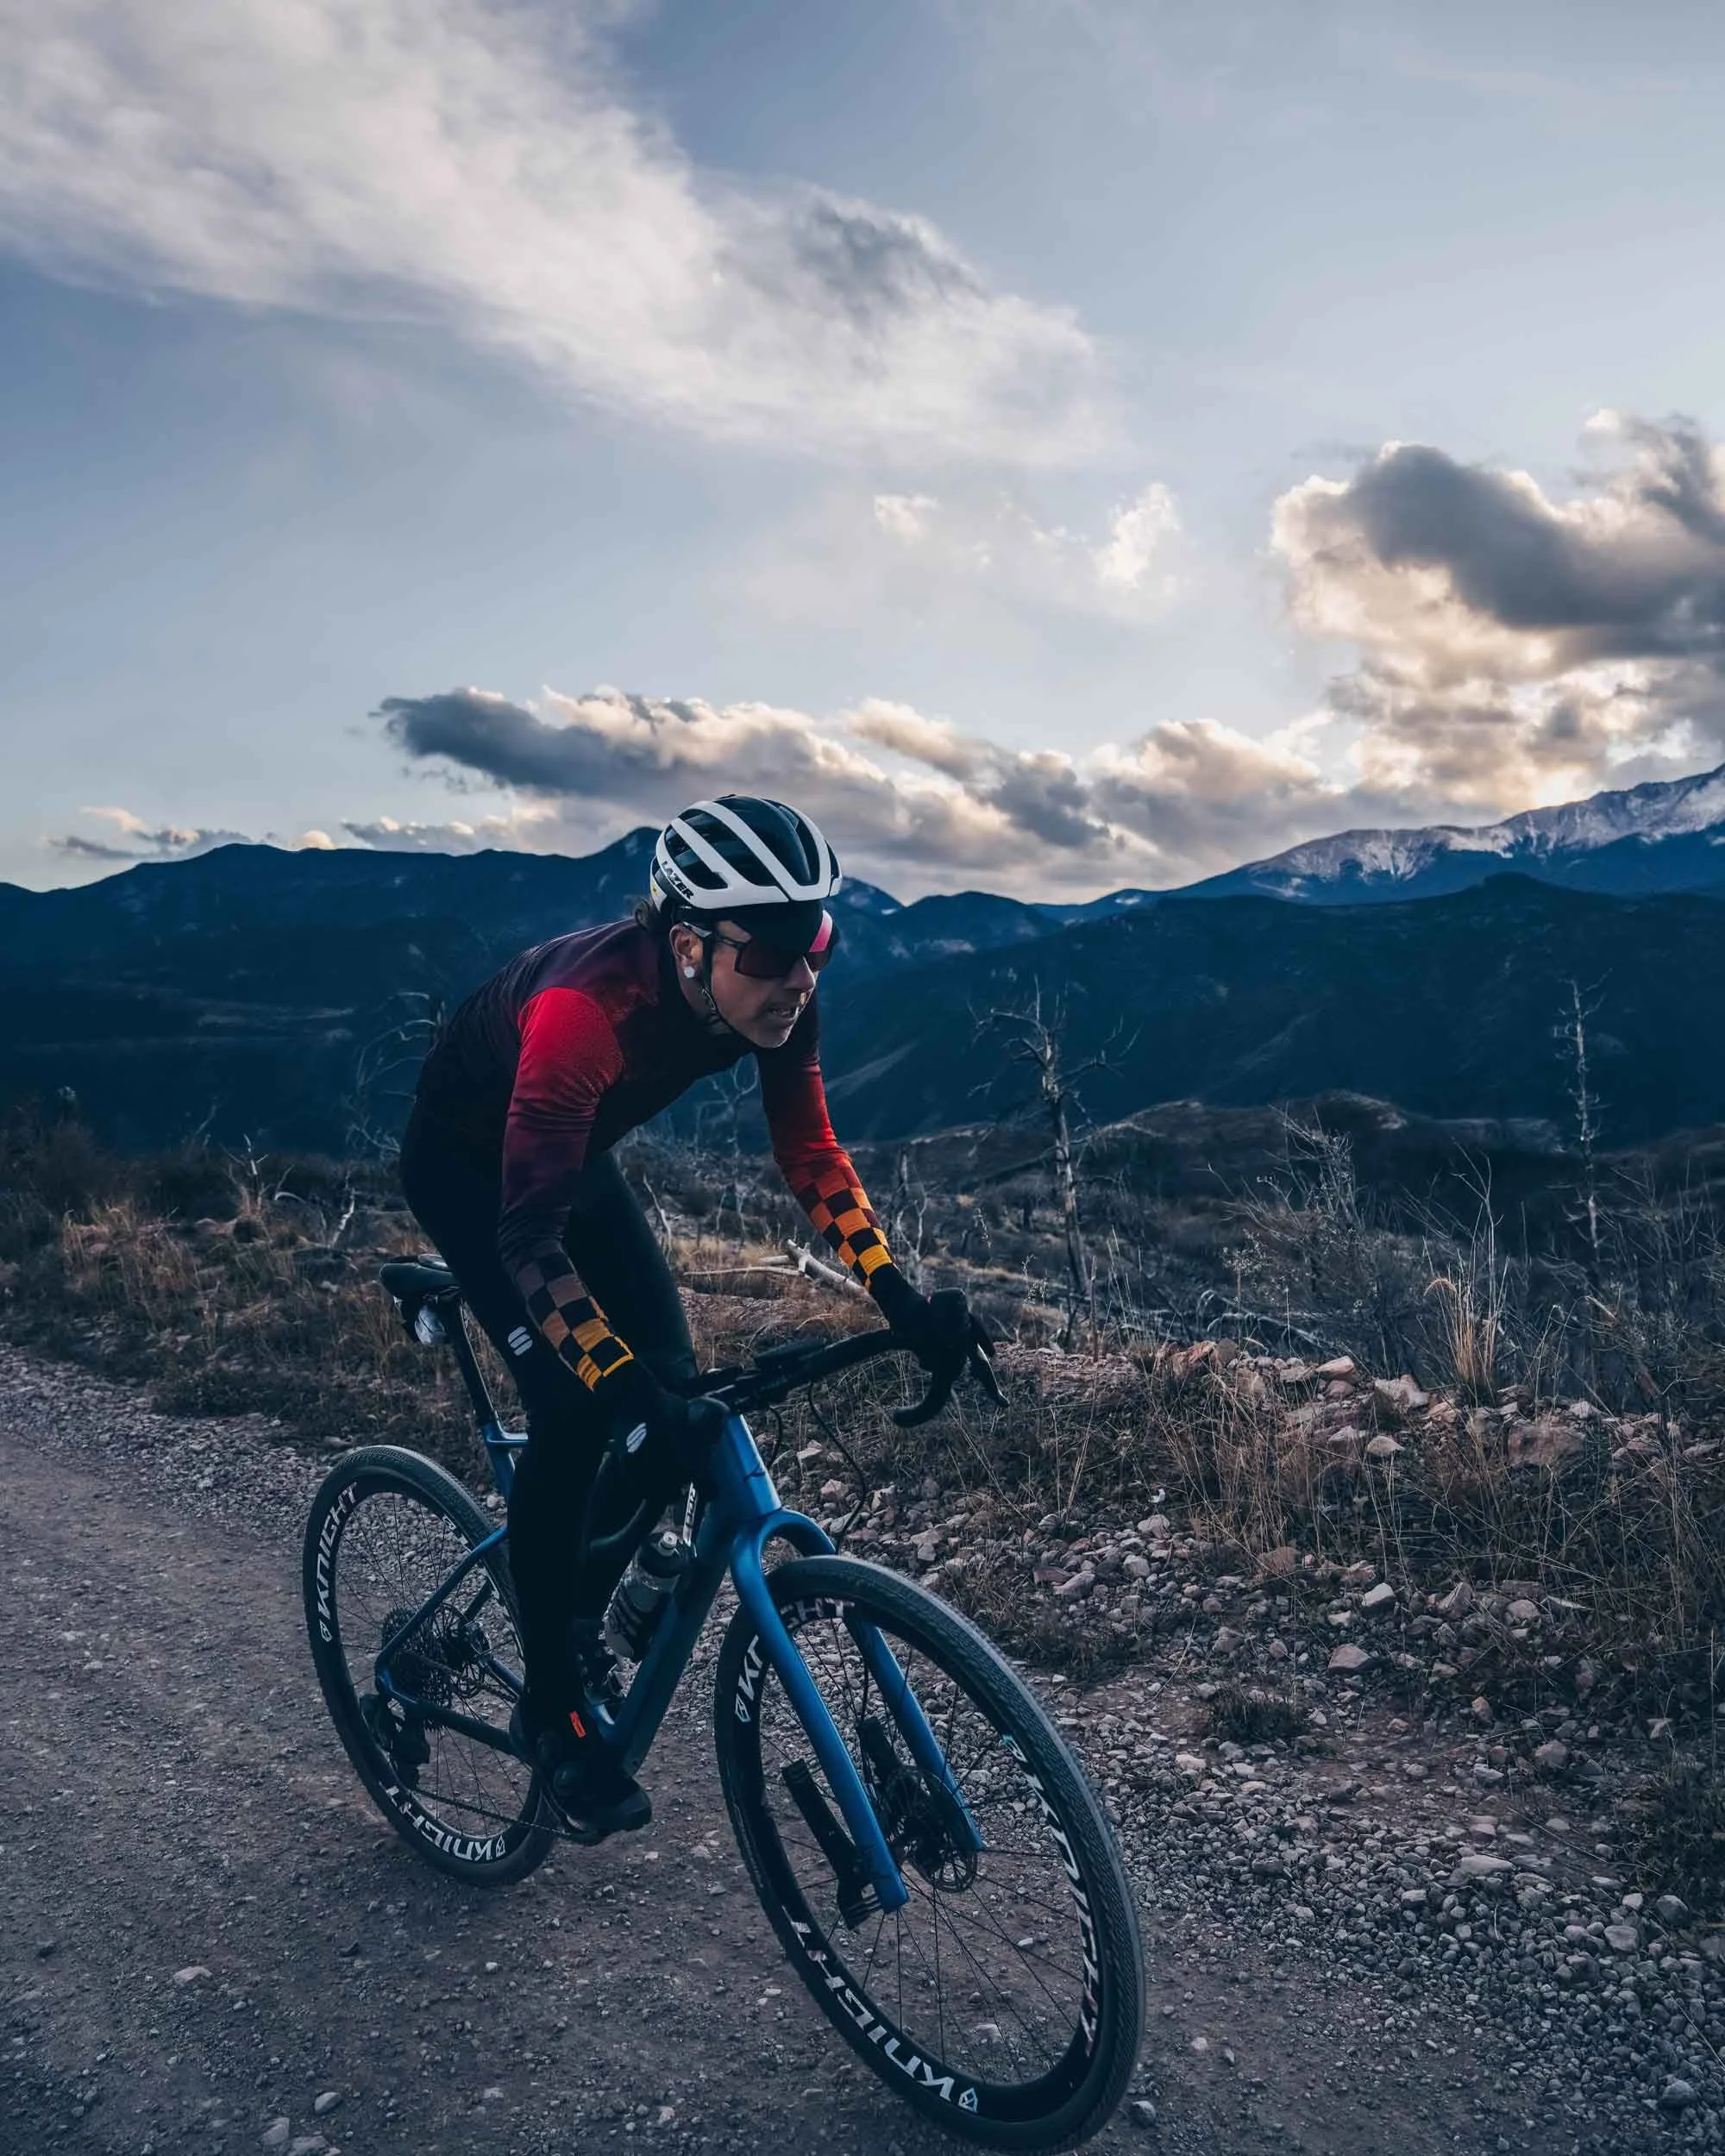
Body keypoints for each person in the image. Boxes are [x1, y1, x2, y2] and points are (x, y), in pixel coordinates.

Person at [397, 795, 988, 1839]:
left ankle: (576, 1604)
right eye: (769, 952)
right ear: (686, 944)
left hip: (568, 1155)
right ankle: (548, 1707)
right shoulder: (588, 1012)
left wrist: (896, 1294)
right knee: (582, 1405)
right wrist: (616, 1389)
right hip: (469, 1172)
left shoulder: (777, 998)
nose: (800, 976)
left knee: (670, 1371)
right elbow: (526, 1242)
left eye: (817, 944)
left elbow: (810, 1153)